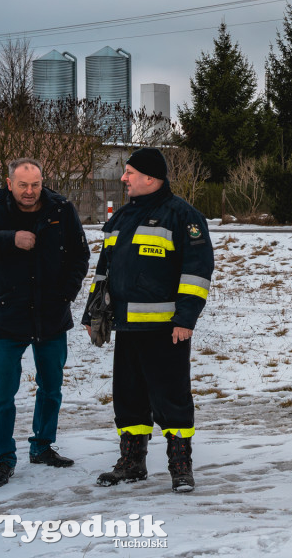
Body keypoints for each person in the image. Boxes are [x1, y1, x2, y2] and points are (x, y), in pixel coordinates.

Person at [82, 148, 215, 492]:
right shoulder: (121, 218)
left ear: (150, 178)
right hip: (127, 328)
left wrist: (185, 319)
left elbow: (197, 272)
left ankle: (180, 467)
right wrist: (91, 312)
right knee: (128, 397)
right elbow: (103, 272)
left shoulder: (183, 216)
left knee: (172, 399)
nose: (124, 178)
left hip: (167, 330)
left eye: (129, 173)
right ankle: (132, 462)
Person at [0, 159, 89, 489]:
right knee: (3, 394)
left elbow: (80, 254)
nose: (30, 192)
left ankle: (42, 447)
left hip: (51, 316)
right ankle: (4, 458)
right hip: (8, 316)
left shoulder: (62, 209)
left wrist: (65, 295)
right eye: (22, 185)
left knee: (51, 388)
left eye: (35, 185)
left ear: (43, 182)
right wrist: (8, 238)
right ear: (9, 183)